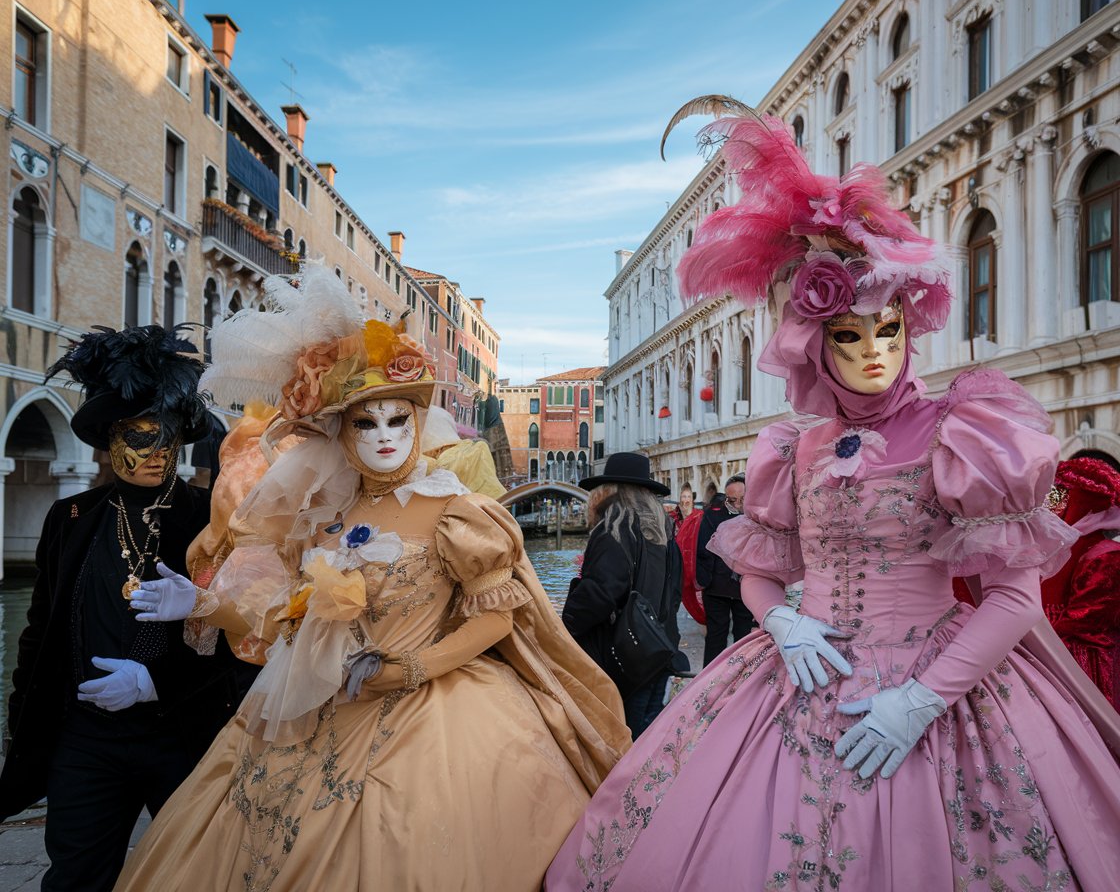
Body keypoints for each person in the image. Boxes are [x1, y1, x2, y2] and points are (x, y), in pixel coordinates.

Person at [546, 114, 1120, 890]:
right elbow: (762, 568)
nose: (876, 351)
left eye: (889, 329)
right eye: (849, 335)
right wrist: (780, 619)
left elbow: (1014, 599)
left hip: (938, 687)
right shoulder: (794, 448)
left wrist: (920, 701)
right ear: (817, 343)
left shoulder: (965, 432)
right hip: (797, 676)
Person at [112, 267, 630, 891]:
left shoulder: (457, 511)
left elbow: (496, 618)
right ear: (341, 434)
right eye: (366, 422)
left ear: (417, 426)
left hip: (435, 707)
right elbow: (288, 628)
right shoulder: (325, 521)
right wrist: (207, 603)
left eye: (397, 421)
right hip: (322, 703)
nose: (384, 436)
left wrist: (412, 669)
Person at [0, 326, 253, 892]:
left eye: (165, 438)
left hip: (182, 732)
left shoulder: (211, 521)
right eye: (138, 437)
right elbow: (40, 629)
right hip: (86, 738)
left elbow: (244, 637)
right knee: (76, 875)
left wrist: (155, 683)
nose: (155, 452)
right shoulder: (70, 518)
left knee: (197, 873)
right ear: (110, 440)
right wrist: (25, 722)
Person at [562, 452, 686, 737]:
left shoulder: (614, 530)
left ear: (607, 492)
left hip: (622, 658)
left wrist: (564, 626)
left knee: (619, 738)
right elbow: (675, 595)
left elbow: (602, 592)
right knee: (645, 739)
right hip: (658, 651)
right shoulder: (666, 537)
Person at [1039, 457, 1120, 709]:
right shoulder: (1050, 549)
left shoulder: (1105, 555)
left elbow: (1082, 625)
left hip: (1080, 664)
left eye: (1062, 495)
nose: (1055, 504)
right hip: (1049, 651)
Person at [695, 474, 756, 664]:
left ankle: (741, 682)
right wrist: (706, 579)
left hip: (745, 588)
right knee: (715, 638)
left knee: (744, 639)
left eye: (742, 499)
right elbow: (702, 549)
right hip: (716, 588)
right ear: (725, 497)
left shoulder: (756, 515)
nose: (738, 504)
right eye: (732, 500)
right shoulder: (712, 515)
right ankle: (709, 684)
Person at [675, 484, 706, 625]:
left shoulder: (699, 516)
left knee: (699, 602)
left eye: (688, 497)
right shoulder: (674, 517)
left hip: (694, 563)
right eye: (683, 496)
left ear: (692, 500)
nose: (686, 500)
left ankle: (706, 625)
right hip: (678, 563)